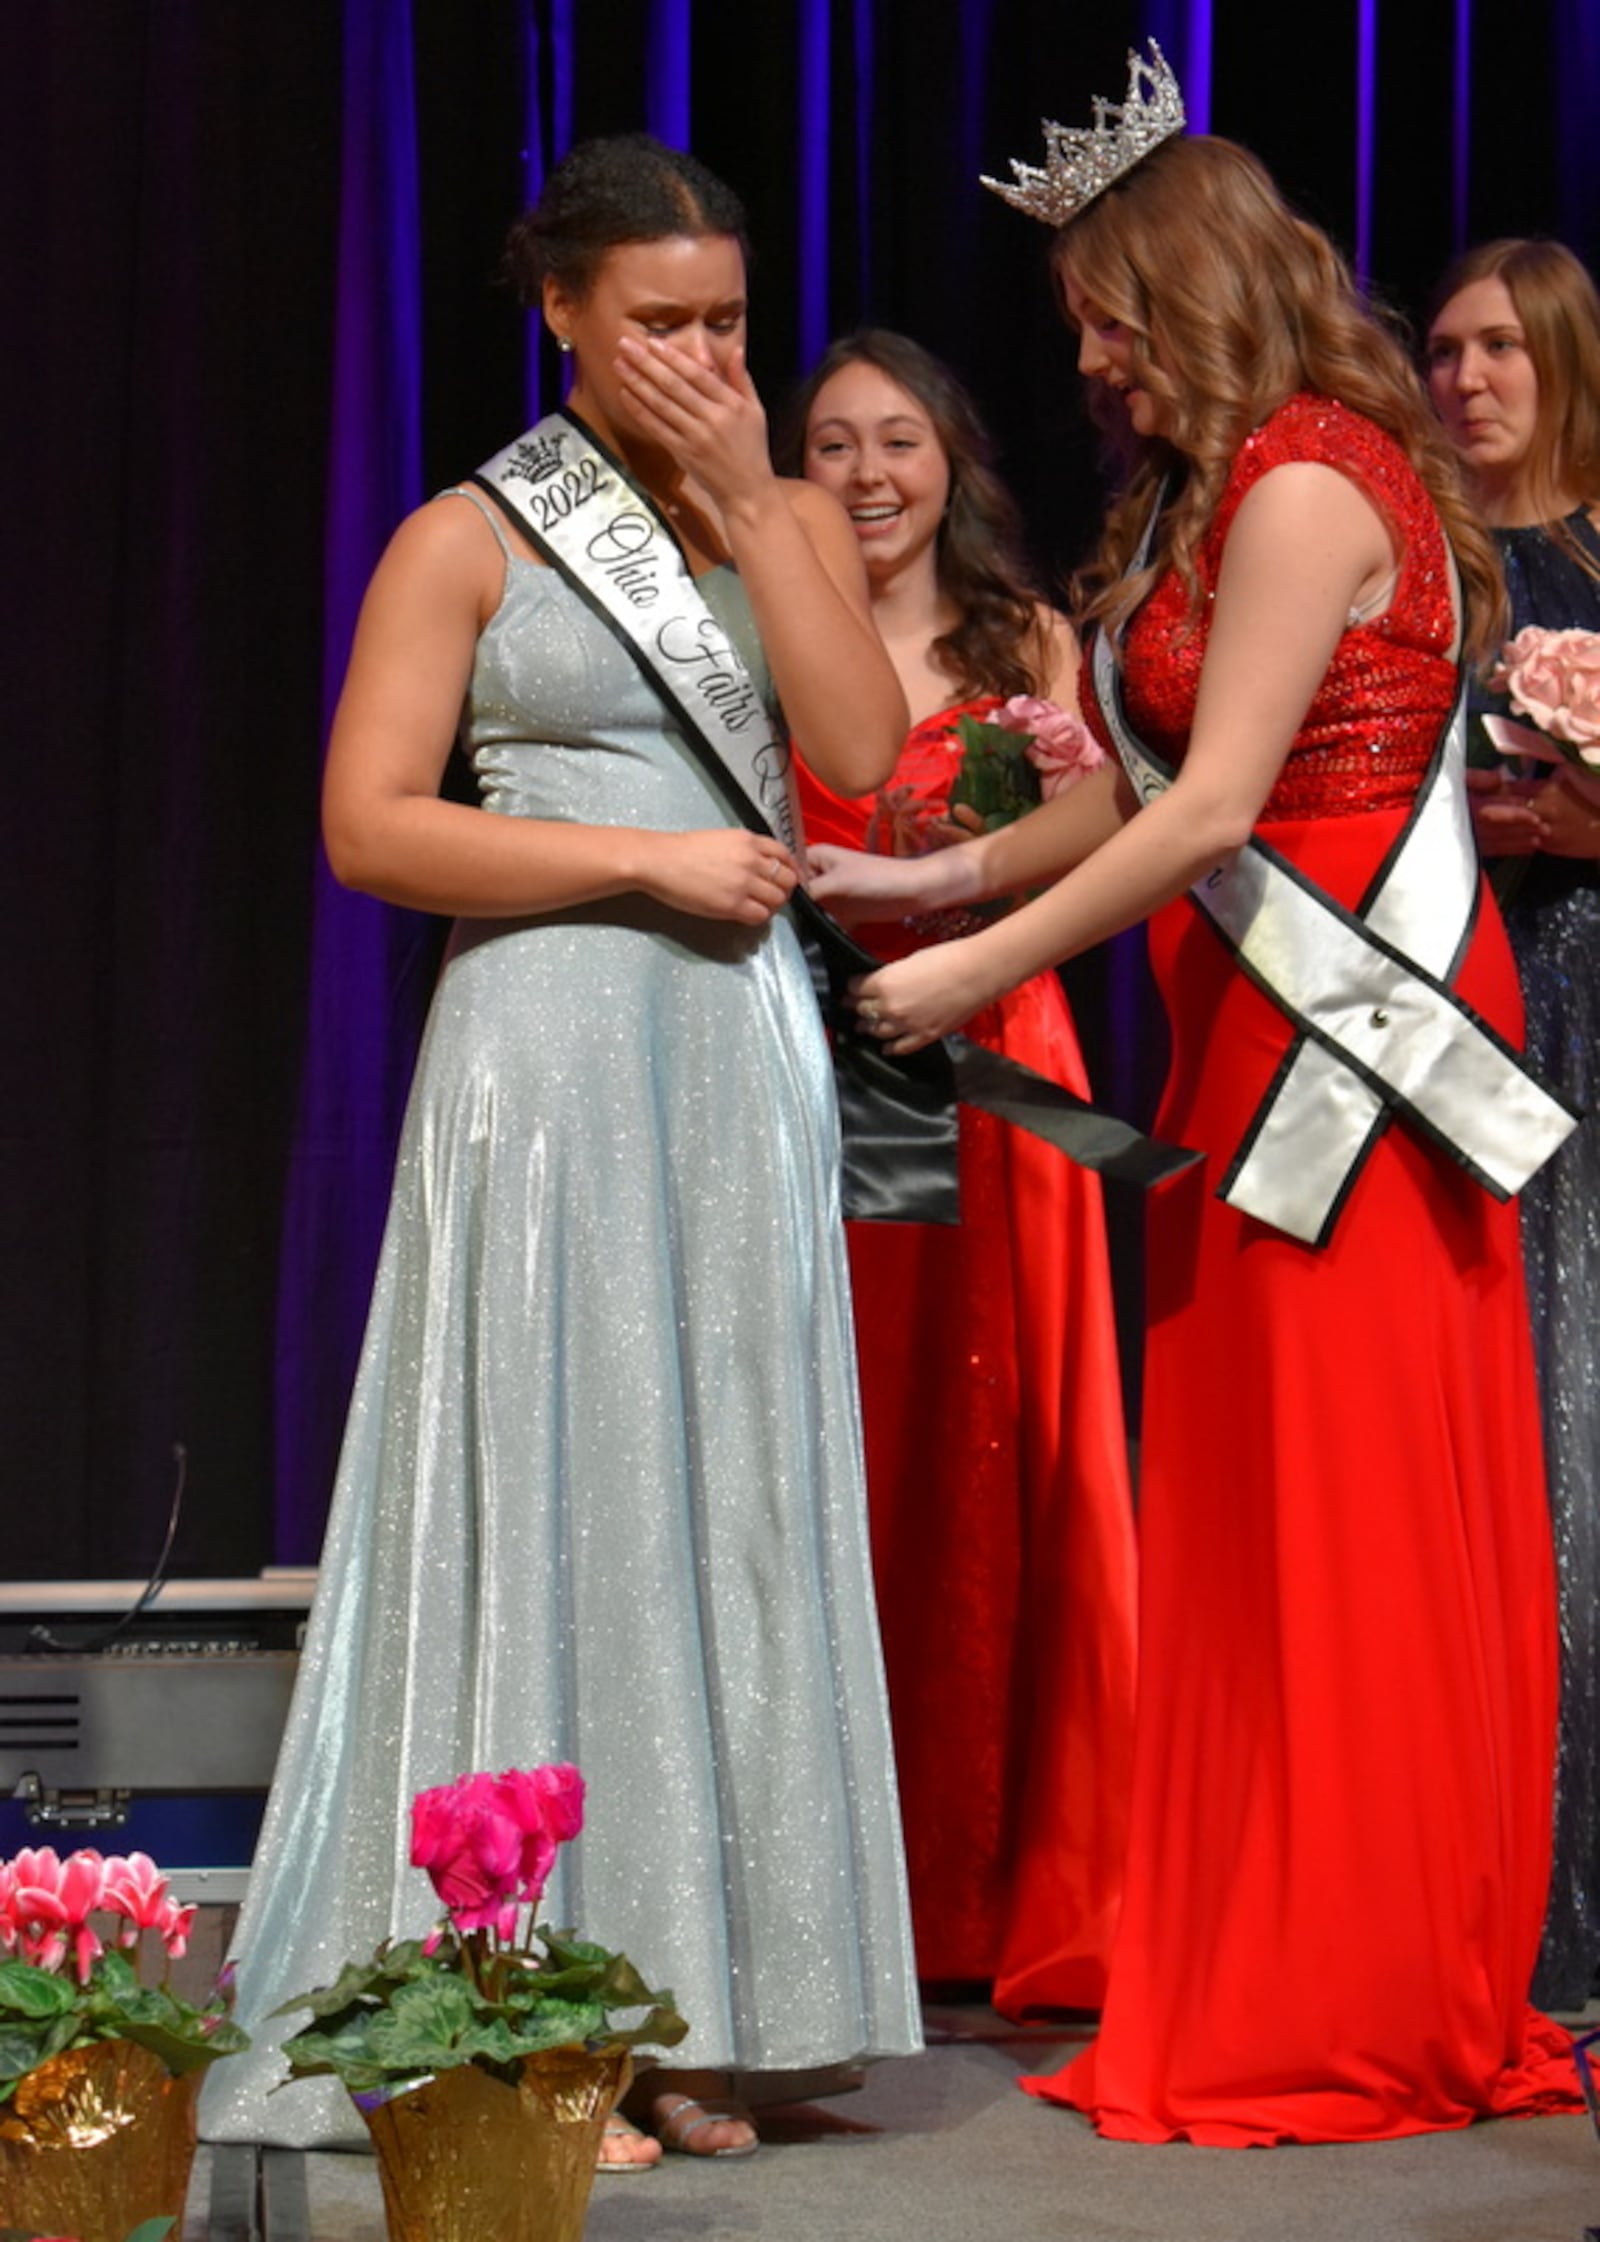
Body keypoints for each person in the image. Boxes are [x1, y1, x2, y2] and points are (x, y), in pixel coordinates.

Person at [808, 48, 1583, 2144]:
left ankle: (1343, 1982)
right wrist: (924, 872)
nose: (1086, 355)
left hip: (1348, 1043)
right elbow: (1141, 801)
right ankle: (1266, 1939)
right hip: (1256, 1029)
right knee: (1247, 1517)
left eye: (1105, 313)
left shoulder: (1316, 476)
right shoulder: (1235, 486)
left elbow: (1219, 802)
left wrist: (974, 966)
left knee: (1334, 1517)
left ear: (1195, 288)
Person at [201, 133, 922, 2165]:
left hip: (732, 1051)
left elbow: (860, 755)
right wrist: (639, 853)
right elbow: (372, 826)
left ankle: (697, 2008)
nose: (695, 354)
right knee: (553, 1500)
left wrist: (762, 501)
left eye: (723, 320)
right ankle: (518, 2017)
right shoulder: (469, 536)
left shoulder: (776, 511)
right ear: (561, 318)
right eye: (656, 325)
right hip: (546, 1044)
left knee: (721, 1507)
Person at [780, 331, 1136, 2012]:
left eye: (897, 439)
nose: (865, 473)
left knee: (1019, 1448)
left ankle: (1022, 1884)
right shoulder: (768, 634)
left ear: (952, 460)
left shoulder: (1025, 639)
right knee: (862, 1451)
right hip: (824, 1061)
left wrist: (950, 898)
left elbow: (1112, 823)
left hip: (998, 1058)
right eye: (833, 441)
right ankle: (855, 1891)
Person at [1427, 237, 1600, 2013]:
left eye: (1502, 348)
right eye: (1448, 348)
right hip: (1470, 1013)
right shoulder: (1430, 573)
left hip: (1593, 990)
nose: (1467, 377)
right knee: (1507, 1462)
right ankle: (1504, 1908)